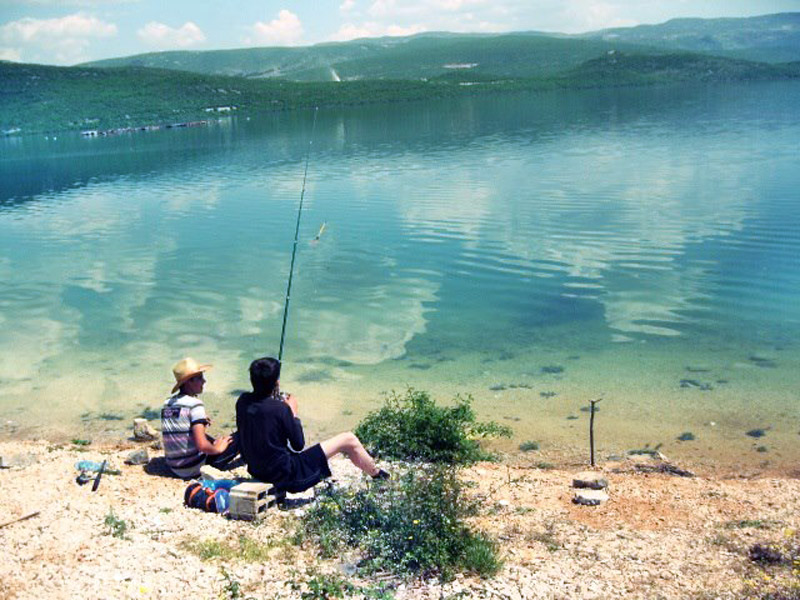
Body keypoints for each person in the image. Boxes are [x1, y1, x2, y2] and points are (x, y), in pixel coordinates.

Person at [235, 356, 388, 494]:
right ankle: (378, 475)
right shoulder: (281, 409)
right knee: (348, 439)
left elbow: (263, 418)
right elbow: (298, 444)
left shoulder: (242, 401)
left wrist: (278, 406)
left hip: (258, 471)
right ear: (277, 383)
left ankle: (376, 473)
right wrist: (293, 413)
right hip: (288, 476)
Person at [161, 357, 240, 479]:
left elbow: (180, 425)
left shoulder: (168, 403)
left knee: (213, 438)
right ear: (188, 382)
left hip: (174, 466)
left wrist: (200, 422)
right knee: (242, 435)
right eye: (200, 378)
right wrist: (217, 449)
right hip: (192, 468)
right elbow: (202, 445)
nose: (204, 381)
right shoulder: (195, 404)